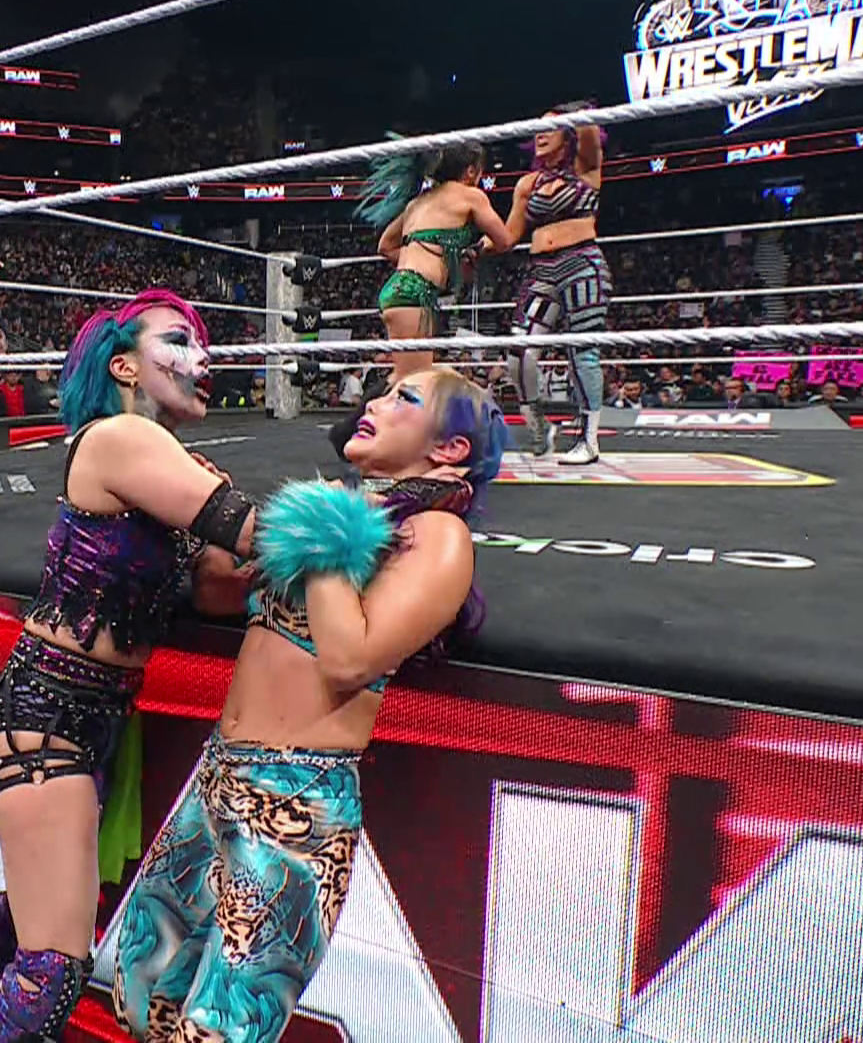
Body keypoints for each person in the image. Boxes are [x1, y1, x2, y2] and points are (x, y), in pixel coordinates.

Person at [0, 290, 259, 1043]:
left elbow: (218, 589)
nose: (202, 357)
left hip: (85, 719)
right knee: (53, 969)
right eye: (178, 339)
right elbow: (248, 531)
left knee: (25, 918)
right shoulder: (119, 438)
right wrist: (364, 527)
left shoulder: (160, 460)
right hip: (47, 714)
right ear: (125, 366)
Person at [114, 367, 505, 1043]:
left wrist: (325, 531)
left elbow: (351, 659)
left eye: (404, 398)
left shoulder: (437, 537)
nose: (374, 403)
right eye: (382, 391)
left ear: (450, 450)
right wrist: (201, 515)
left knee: (219, 1030)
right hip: (217, 778)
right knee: (140, 992)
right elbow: (218, 594)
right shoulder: (352, 516)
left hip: (296, 807)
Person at [503, 101, 609, 464]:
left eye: (550, 128)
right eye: (537, 128)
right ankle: (538, 427)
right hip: (540, 270)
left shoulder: (585, 168)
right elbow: (508, 235)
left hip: (581, 263)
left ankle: (589, 441)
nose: (540, 134)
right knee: (518, 353)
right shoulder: (527, 184)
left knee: (582, 351)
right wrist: (474, 245)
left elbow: (589, 131)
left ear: (567, 135)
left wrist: (574, 113)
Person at [358, 143, 515, 376]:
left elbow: (385, 246)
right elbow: (505, 240)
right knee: (414, 381)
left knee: (409, 378)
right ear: (471, 171)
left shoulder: (418, 202)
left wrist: (438, 257)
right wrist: (480, 248)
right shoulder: (471, 196)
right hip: (413, 291)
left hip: (403, 289)